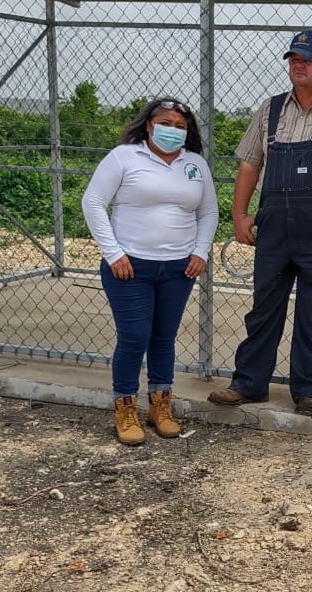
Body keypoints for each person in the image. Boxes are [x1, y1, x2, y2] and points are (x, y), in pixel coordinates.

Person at [207, 30, 312, 417]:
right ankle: (248, 383)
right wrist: (240, 215)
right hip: (274, 227)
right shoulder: (270, 110)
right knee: (264, 308)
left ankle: (309, 390)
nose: (297, 65)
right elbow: (249, 164)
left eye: (307, 59)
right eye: (293, 59)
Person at [82, 97, 219, 445]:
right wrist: (113, 254)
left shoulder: (195, 165)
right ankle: (125, 408)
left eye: (180, 125)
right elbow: (93, 202)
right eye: (166, 123)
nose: (173, 130)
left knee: (163, 338)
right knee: (134, 337)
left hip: (179, 269)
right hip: (130, 267)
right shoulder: (125, 157)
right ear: (149, 125)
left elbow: (208, 213)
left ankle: (161, 405)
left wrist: (200, 251)